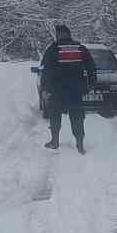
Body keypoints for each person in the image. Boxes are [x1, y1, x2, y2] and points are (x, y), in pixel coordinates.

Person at [39, 23, 97, 153]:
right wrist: (91, 84)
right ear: (69, 34)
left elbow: (46, 70)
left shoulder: (53, 48)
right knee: (77, 116)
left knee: (55, 115)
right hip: (76, 90)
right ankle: (80, 144)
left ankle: (54, 141)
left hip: (57, 90)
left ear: (58, 35)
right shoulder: (79, 48)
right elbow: (91, 67)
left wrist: (45, 88)